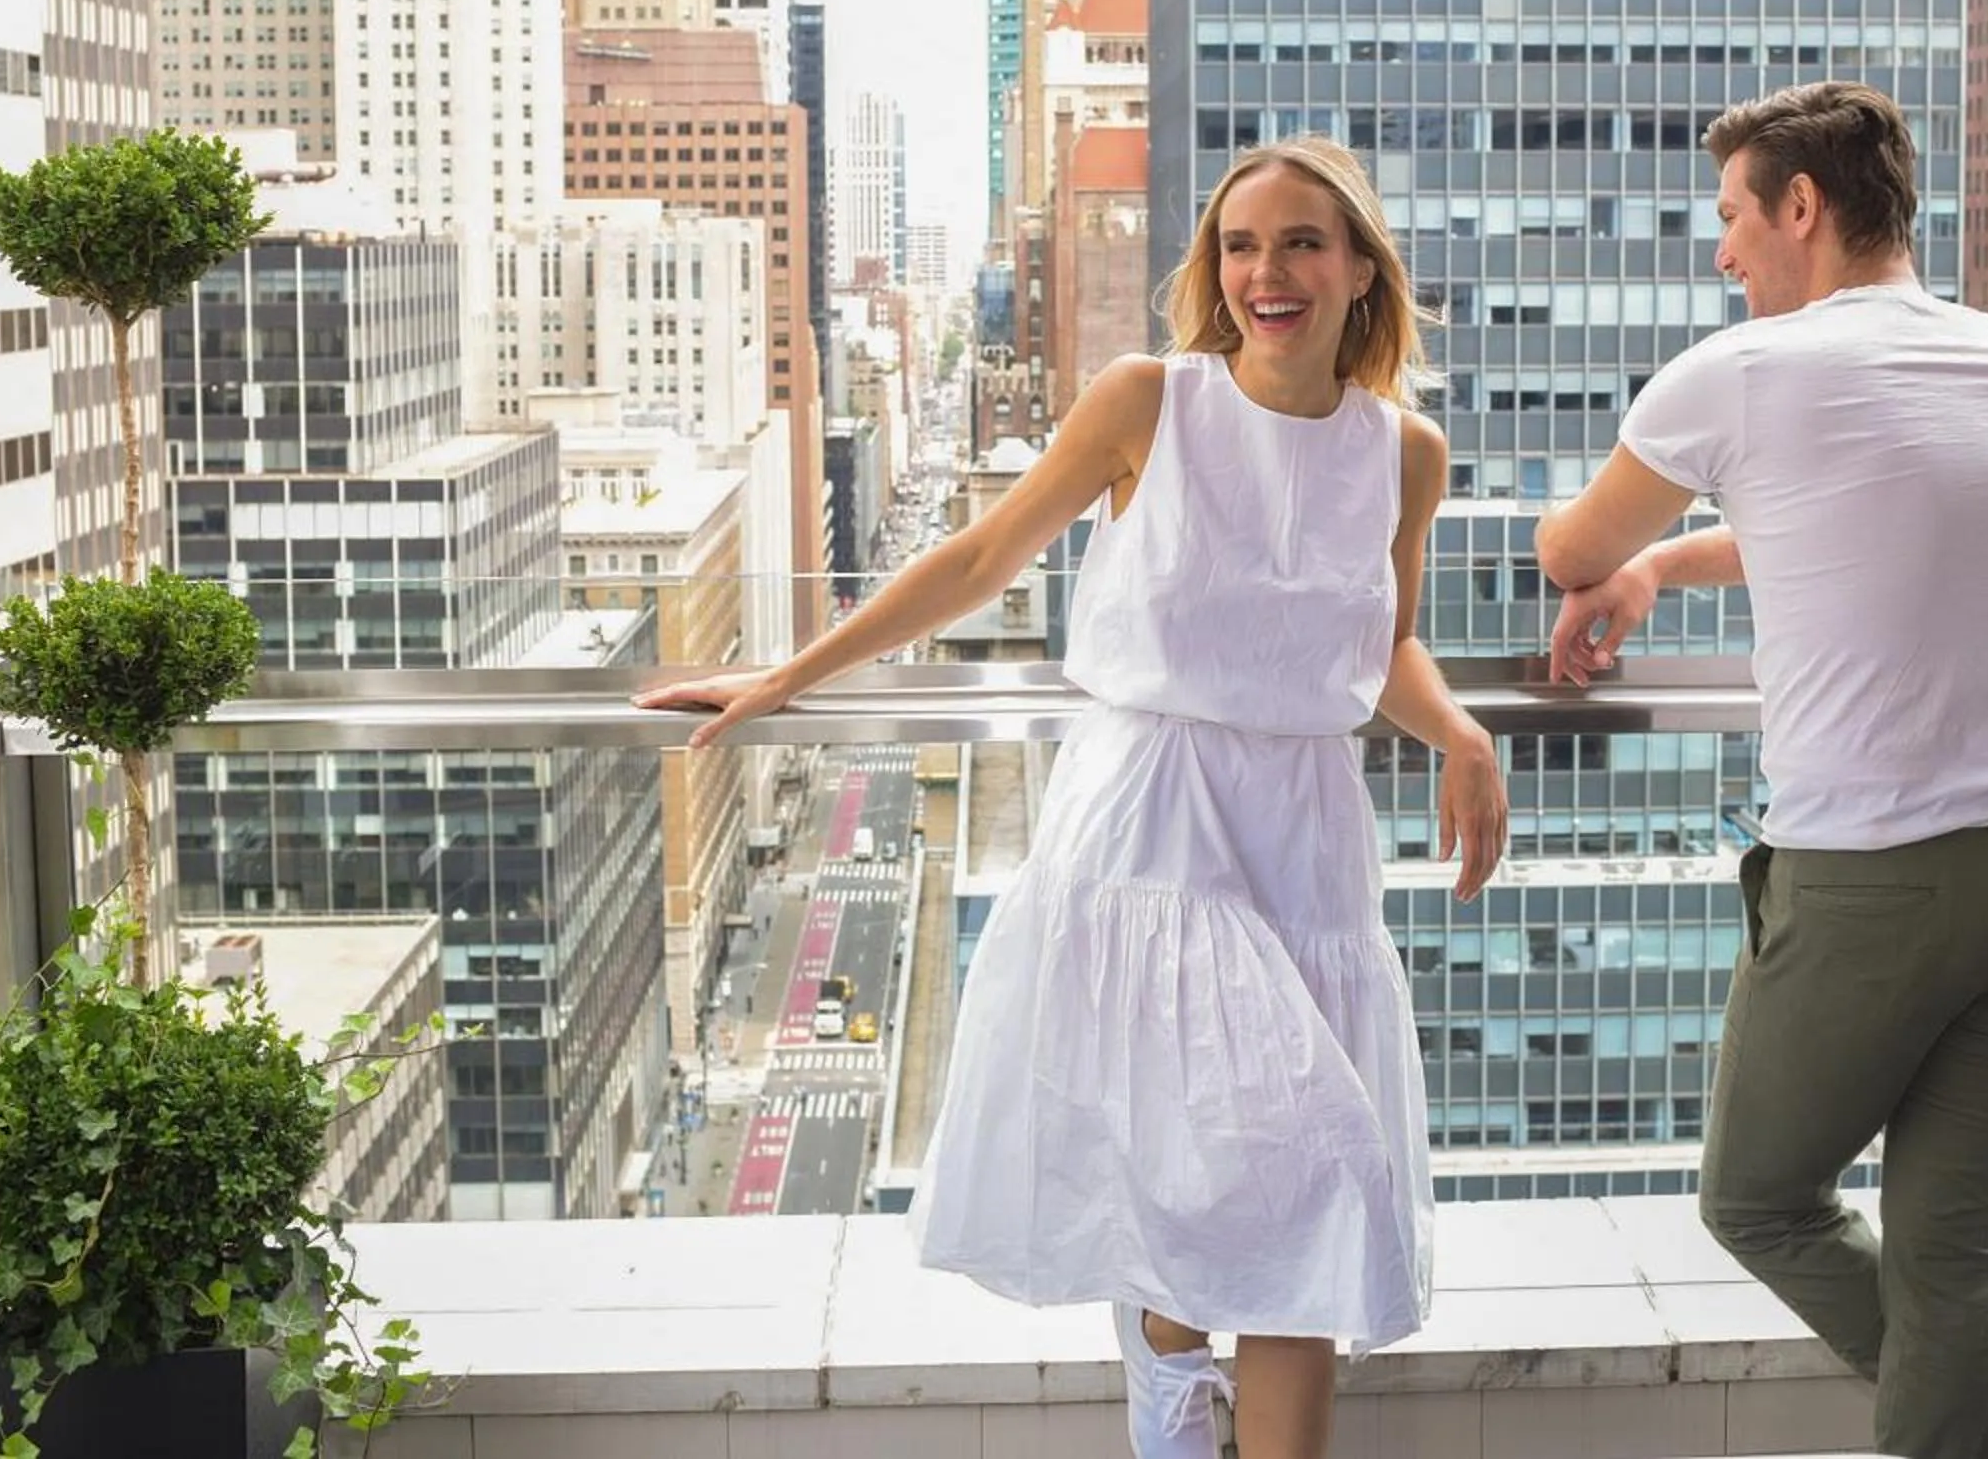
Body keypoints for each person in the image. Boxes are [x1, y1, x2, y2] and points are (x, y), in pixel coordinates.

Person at [638, 137, 1507, 1459]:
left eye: (1301, 242)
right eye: (1240, 245)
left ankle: (1173, 1392)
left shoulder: (1405, 453)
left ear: (1360, 271)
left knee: (1306, 1213)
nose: (1266, 271)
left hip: (1307, 837)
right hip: (1152, 825)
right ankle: (1169, 1378)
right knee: (1242, 1168)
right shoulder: (1148, 402)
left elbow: (1381, 643)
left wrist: (1460, 733)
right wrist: (788, 675)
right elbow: (980, 557)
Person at [1532, 82, 1988, 1459]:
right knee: (1949, 1238)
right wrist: (1672, 563)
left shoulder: (1738, 373)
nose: (1721, 251)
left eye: (1733, 216)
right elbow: (1855, 515)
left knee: (1759, 1196)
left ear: (1803, 206)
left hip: (1877, 879)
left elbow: (1566, 551)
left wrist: (1625, 555)